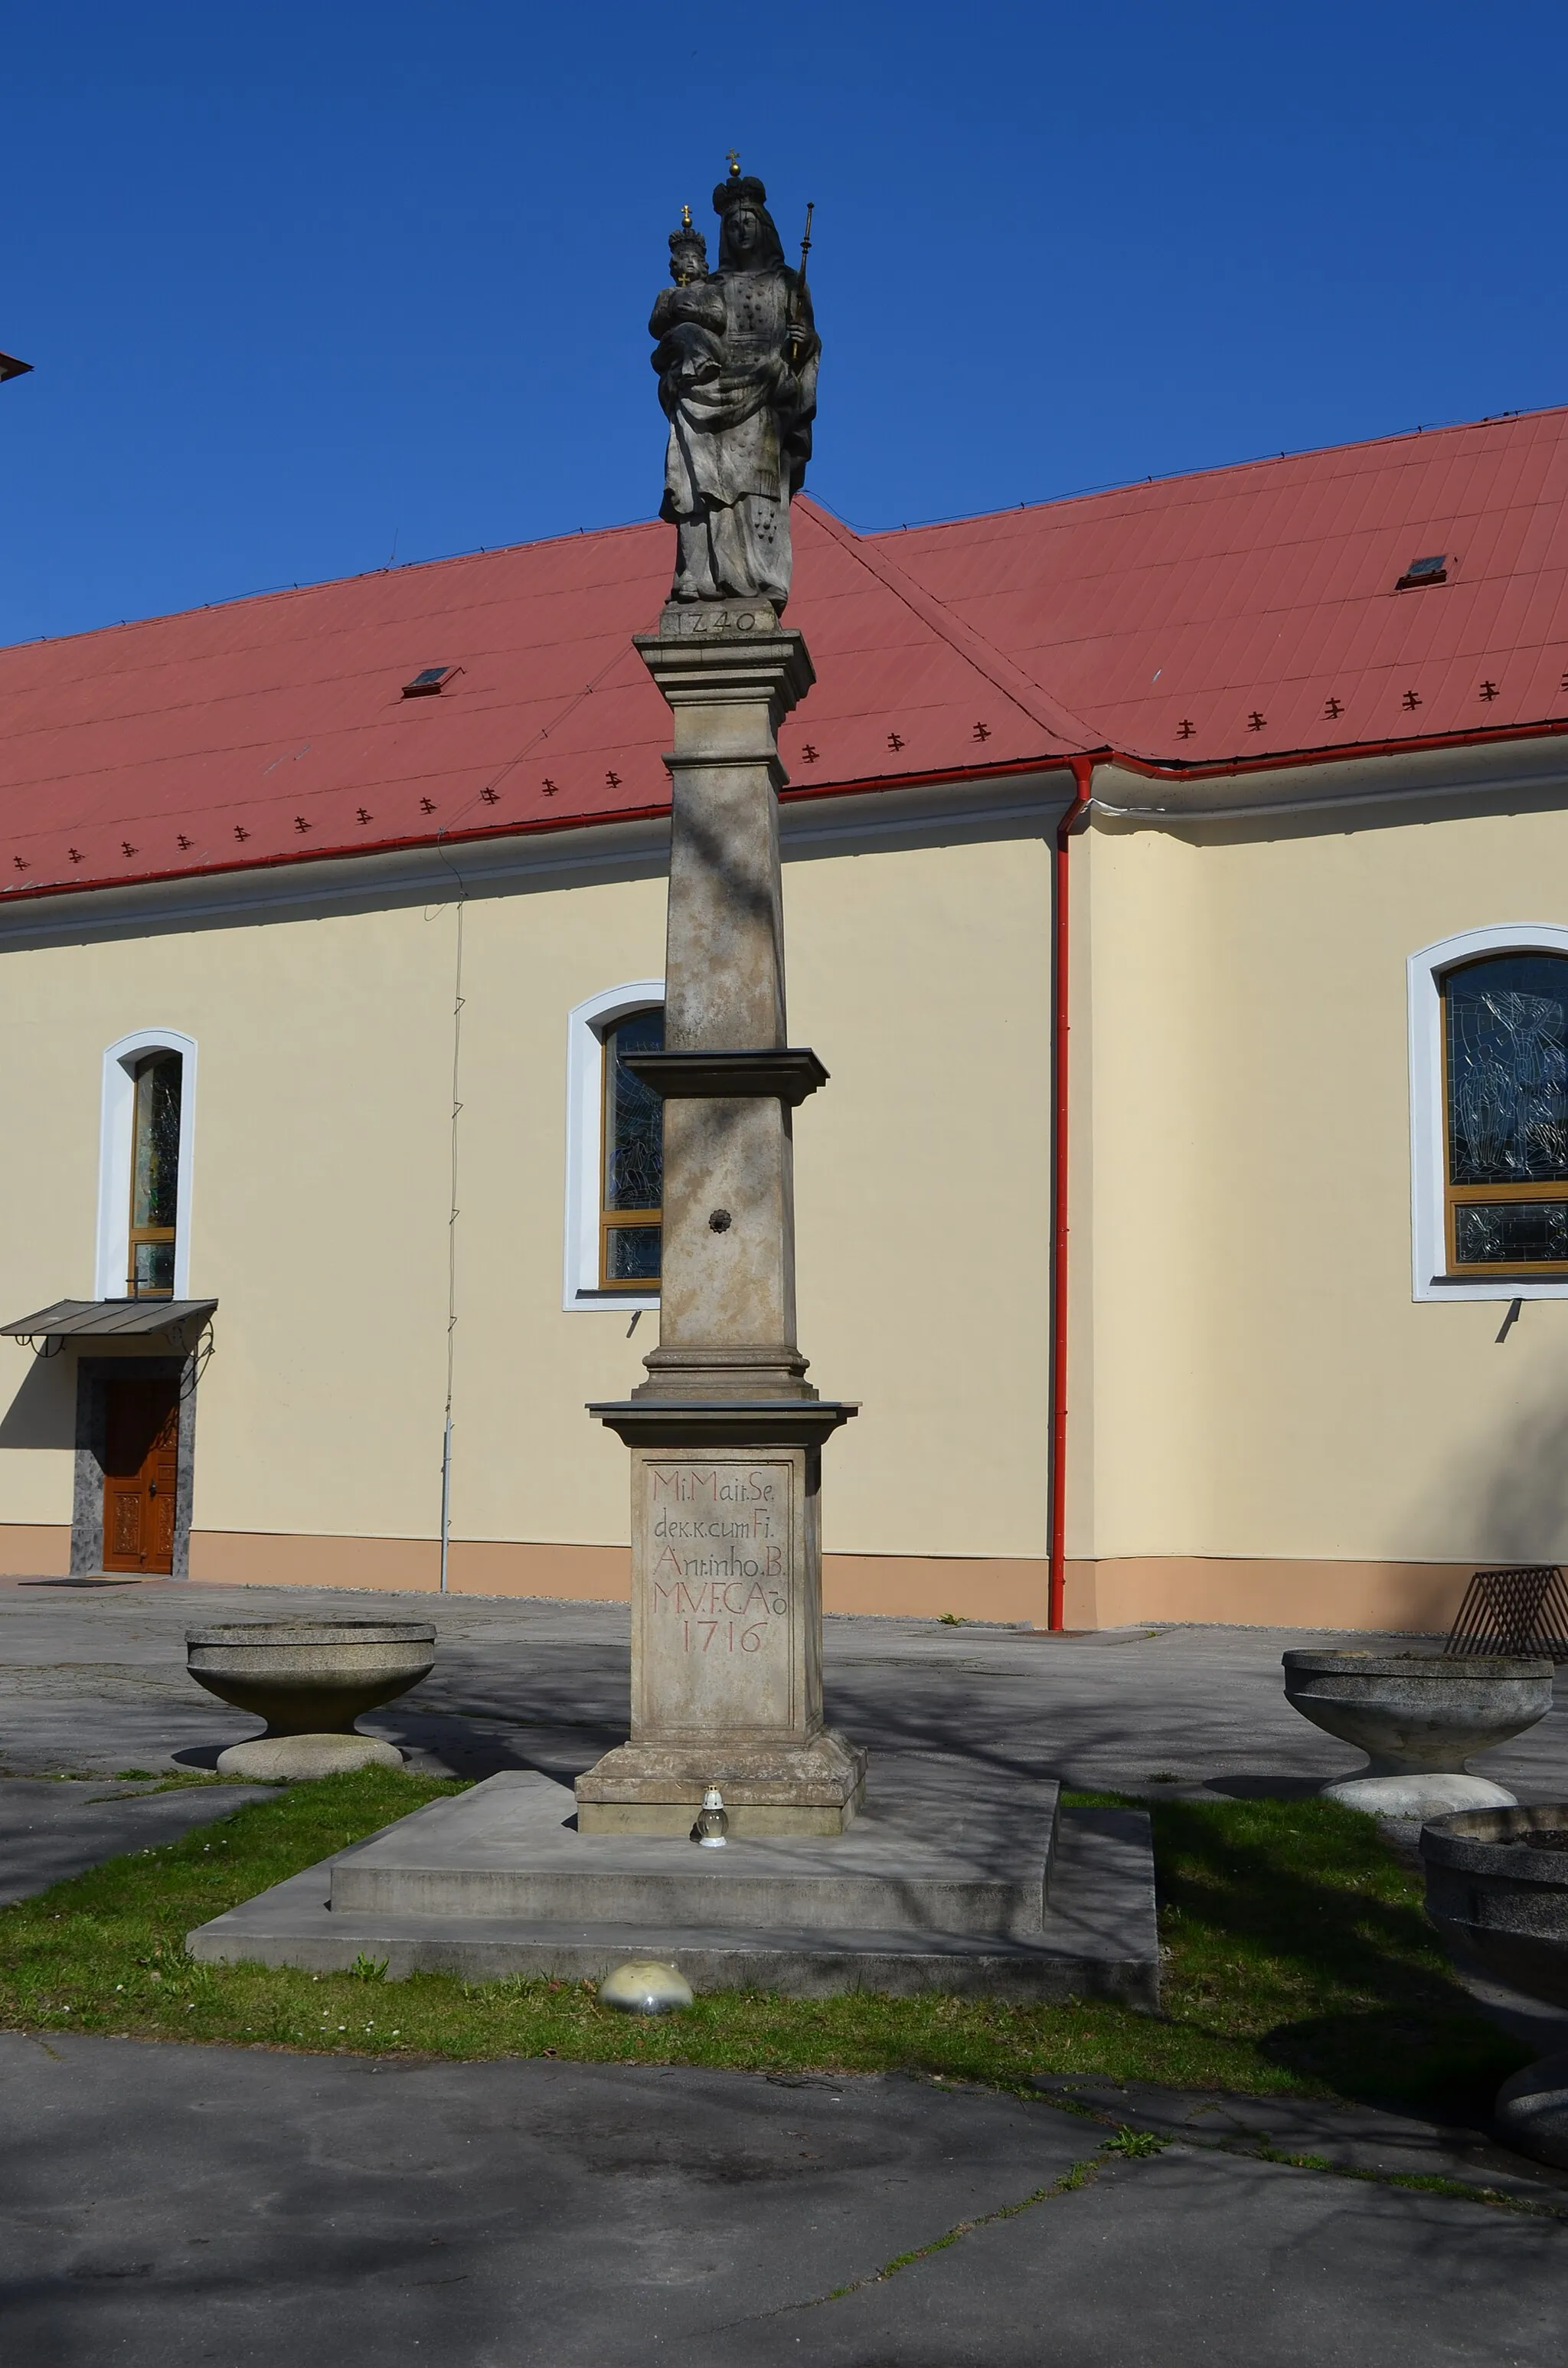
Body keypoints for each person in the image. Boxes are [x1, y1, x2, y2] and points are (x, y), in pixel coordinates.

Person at [650, 165, 819, 609]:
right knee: (704, 485)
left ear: (764, 229)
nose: (742, 230)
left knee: (754, 487)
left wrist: (805, 343)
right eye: (733, 224)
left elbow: (804, 346)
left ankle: (760, 578)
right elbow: (676, 326)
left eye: (749, 222)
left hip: (764, 390)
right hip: (714, 384)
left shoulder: (787, 284)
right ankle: (703, 575)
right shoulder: (714, 287)